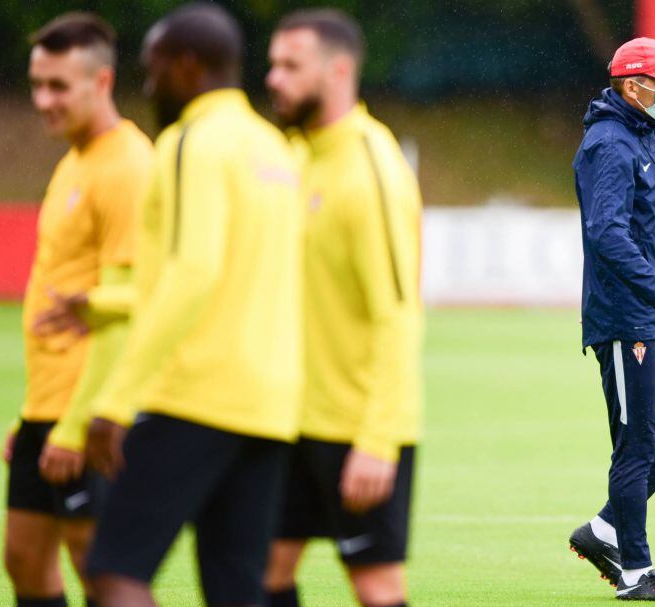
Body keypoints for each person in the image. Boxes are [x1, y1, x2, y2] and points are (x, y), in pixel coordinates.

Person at [80, 4, 303, 605]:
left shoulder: (190, 141)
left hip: (195, 395)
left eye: (153, 70)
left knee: (113, 572)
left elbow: (195, 270)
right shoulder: (273, 148)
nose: (148, 86)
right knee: (236, 590)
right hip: (270, 405)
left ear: (186, 65)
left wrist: (117, 399)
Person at [264, 9, 423, 607]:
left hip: (355, 427)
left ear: (337, 70)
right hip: (286, 421)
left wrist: (378, 438)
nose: (273, 78)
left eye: (290, 66)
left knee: (376, 585)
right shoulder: (296, 156)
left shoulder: (370, 168)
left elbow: (397, 312)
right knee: (262, 573)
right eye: (272, 63)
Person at [6, 12, 153, 607]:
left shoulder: (127, 167)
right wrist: (33, 416)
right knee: (23, 558)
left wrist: (73, 425)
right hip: (50, 405)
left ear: (102, 82)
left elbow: (135, 304)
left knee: (102, 571)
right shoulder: (76, 160)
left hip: (92, 413)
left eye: (58, 86)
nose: (44, 100)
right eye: (37, 84)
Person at [569, 37, 655, 602]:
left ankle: (604, 529)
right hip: (630, 319)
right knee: (635, 446)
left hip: (653, 318)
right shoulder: (609, 144)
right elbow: (607, 234)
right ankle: (635, 572)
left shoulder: (648, 131)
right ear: (634, 87)